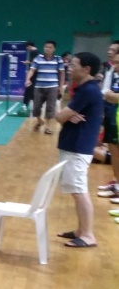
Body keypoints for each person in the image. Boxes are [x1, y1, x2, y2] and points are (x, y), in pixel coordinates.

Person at [55, 52, 104, 247]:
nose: (69, 68)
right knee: (76, 190)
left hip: (78, 147)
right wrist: (67, 115)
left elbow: (60, 117)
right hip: (74, 144)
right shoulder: (84, 88)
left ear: (86, 69)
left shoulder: (88, 90)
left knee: (79, 190)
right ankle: (81, 230)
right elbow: (63, 115)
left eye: (73, 65)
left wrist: (65, 115)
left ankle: (88, 235)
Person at [26, 40, 64, 134]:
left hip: (53, 87)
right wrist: (27, 79)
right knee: (35, 108)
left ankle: (48, 127)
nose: (47, 49)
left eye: (50, 47)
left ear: (54, 49)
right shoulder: (38, 58)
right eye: (46, 47)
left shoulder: (58, 59)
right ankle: (40, 121)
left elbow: (62, 73)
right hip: (39, 87)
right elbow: (32, 70)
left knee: (50, 108)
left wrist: (61, 86)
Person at [97, 41, 119, 199]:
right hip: (112, 115)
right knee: (114, 151)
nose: (115, 64)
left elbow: (111, 96)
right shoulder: (111, 71)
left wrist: (112, 96)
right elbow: (106, 94)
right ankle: (117, 183)